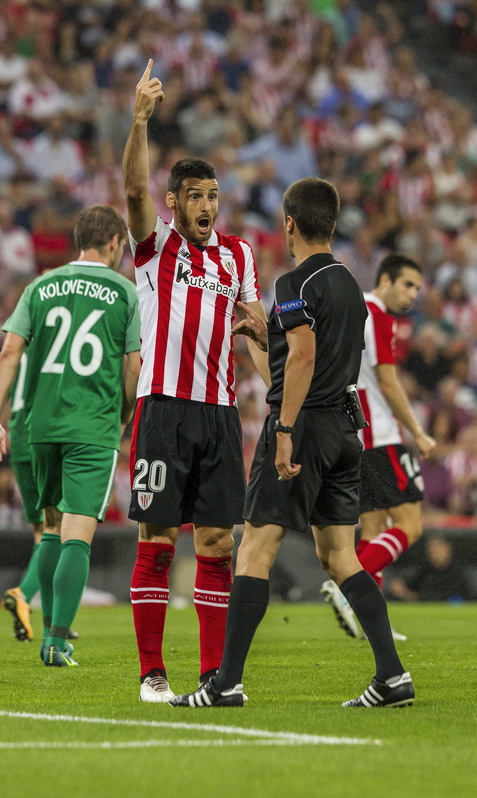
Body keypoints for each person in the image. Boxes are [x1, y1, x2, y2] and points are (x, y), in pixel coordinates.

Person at [170, 177, 415, 709]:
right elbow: (309, 358)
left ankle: (226, 683)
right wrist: (266, 339)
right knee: (340, 557)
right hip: (345, 430)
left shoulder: (294, 282)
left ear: (289, 223)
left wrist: (282, 430)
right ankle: (393, 676)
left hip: (303, 428)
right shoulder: (350, 284)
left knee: (255, 548)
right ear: (333, 223)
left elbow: (303, 358)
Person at [122, 60, 270, 702]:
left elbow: (254, 330)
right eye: (195, 196)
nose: (207, 205)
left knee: (216, 542)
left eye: (213, 196)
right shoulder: (155, 247)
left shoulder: (239, 256)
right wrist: (140, 120)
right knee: (156, 538)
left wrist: (281, 398)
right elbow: (133, 191)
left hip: (218, 413)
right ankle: (152, 672)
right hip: (162, 407)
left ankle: (214, 675)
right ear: (175, 202)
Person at [0, 204, 141, 666]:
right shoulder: (125, 291)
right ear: (115, 242)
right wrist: (124, 415)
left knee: (50, 527)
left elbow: (9, 351)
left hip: (41, 427)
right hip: (92, 425)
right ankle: (55, 641)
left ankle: (50, 625)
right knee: (77, 534)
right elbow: (134, 366)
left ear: (78, 240)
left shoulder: (40, 285)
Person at [321, 255, 437, 640]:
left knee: (374, 529)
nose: (413, 295)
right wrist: (417, 431)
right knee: (410, 525)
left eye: (417, 288)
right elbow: (387, 381)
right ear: (385, 279)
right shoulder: (380, 317)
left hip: (354, 436)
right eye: (407, 285)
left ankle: (376, 623)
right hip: (381, 435)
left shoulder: (353, 312)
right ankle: (347, 584)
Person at [0, 353, 77, 643]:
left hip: (18, 441)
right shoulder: (50, 345)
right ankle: (27, 597)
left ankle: (49, 616)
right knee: (57, 529)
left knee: (42, 531)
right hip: (44, 435)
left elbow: (0, 397)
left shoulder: (14, 352)